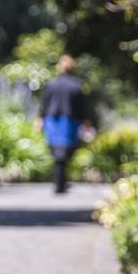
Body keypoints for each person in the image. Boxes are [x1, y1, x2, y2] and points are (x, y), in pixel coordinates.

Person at [39, 54, 90, 194]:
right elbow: (82, 107)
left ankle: (59, 181)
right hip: (68, 121)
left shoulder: (52, 84)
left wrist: (40, 119)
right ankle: (60, 182)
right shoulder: (76, 85)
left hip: (53, 121)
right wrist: (86, 122)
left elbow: (44, 104)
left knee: (57, 152)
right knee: (64, 153)